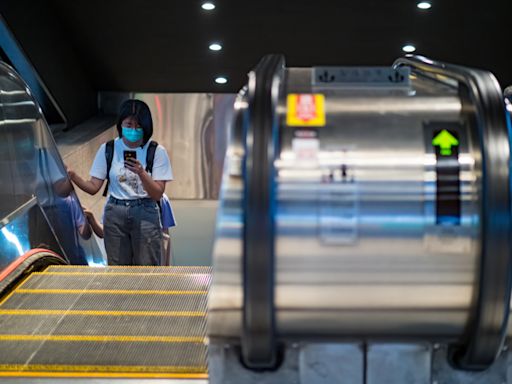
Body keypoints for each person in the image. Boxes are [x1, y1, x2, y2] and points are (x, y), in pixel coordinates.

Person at [67, 99, 173, 265]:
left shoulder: (156, 151)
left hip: (145, 211)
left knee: (148, 266)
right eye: (129, 124)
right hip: (115, 211)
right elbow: (94, 187)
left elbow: (157, 193)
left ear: (146, 127)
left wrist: (141, 172)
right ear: (121, 124)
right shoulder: (108, 149)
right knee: (117, 268)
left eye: (138, 126)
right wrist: (74, 176)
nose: (133, 130)